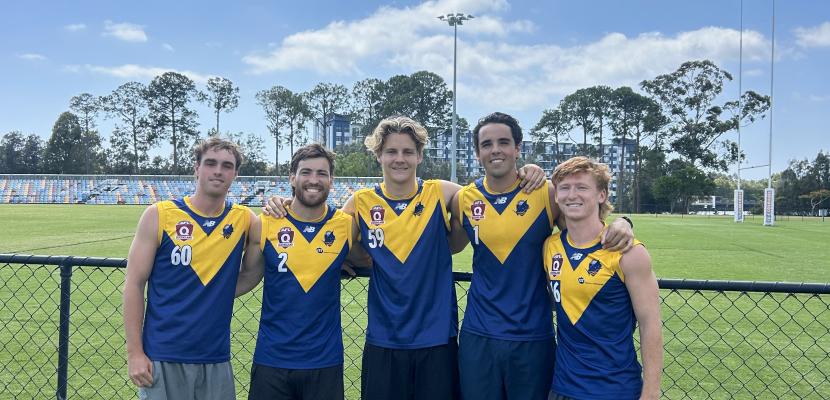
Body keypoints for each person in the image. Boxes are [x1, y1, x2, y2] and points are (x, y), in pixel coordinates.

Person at [266, 116, 546, 400]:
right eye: (391, 151)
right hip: (384, 341)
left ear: (420, 156)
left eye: (407, 151)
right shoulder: (361, 204)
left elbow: (491, 195)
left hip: (437, 340)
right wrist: (285, 203)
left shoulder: (442, 193)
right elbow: (325, 230)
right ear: (378, 155)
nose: (399, 159)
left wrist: (529, 171)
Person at [451, 112, 634, 400]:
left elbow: (589, 231)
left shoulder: (544, 193)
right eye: (487, 144)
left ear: (517, 148)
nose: (495, 149)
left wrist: (624, 223)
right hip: (479, 333)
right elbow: (449, 244)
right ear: (477, 152)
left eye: (503, 142)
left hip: (533, 335)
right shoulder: (463, 199)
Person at [123, 137, 254, 400]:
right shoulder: (159, 215)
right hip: (162, 354)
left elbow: (254, 270)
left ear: (235, 174)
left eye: (227, 166)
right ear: (196, 168)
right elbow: (134, 284)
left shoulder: (244, 220)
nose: (218, 171)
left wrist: (220, 289)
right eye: (211, 163)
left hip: (215, 356)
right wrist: (135, 353)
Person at [235, 143, 363, 400]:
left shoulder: (346, 226)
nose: (313, 180)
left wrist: (340, 263)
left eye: (321, 173)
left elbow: (373, 259)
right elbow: (247, 276)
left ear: (331, 180)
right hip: (272, 359)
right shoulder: (266, 224)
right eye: (306, 172)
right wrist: (200, 296)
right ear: (292, 177)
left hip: (325, 361)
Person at [543, 157, 663, 400]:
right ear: (556, 196)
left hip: (614, 389)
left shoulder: (629, 252)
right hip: (562, 387)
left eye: (582, 187)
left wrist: (650, 393)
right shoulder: (550, 246)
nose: (571, 194)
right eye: (564, 188)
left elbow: (651, 325)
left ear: (601, 195)